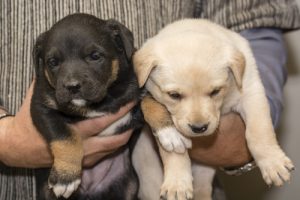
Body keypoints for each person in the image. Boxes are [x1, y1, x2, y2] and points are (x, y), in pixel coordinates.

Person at [0, 0, 299, 200]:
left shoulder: (133, 83)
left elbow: (255, 24)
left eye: (95, 57)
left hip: (146, 182)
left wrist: (251, 133)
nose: (73, 80)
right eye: (54, 64)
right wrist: (6, 137)